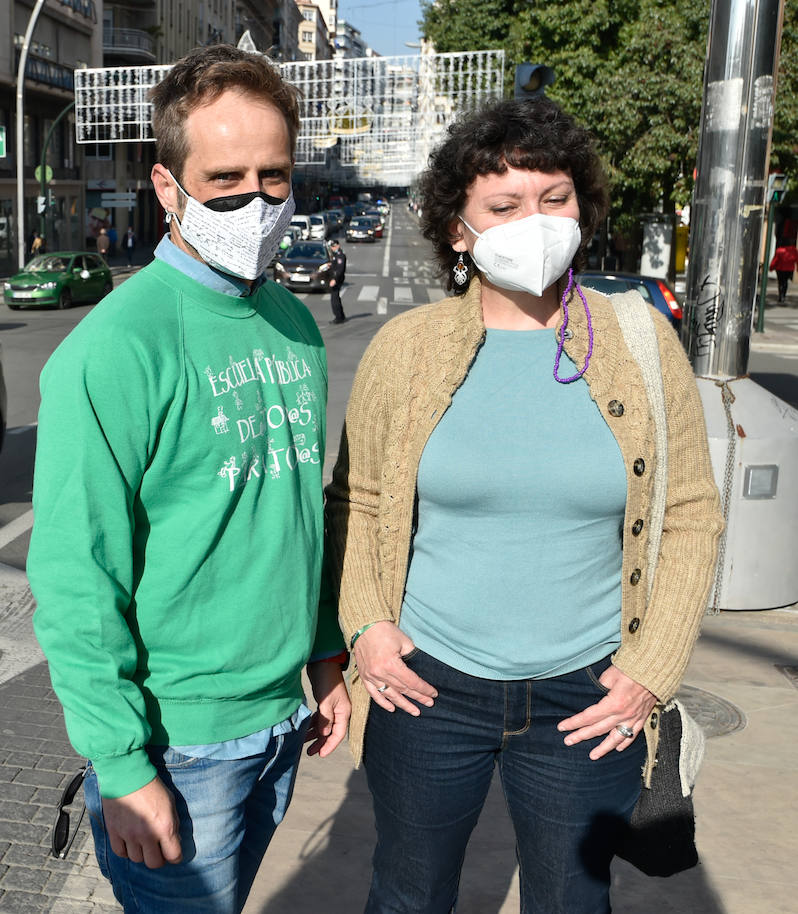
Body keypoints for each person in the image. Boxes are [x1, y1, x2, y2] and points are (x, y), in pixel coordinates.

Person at [326, 97, 724, 913]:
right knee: (406, 894)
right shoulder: (405, 350)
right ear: (458, 231)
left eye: (555, 198)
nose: (534, 221)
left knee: (575, 901)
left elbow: (690, 513)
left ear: (583, 206)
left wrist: (649, 674)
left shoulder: (641, 340)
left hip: (590, 693)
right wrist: (366, 627)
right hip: (426, 686)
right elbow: (357, 501)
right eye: (503, 206)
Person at [29, 44, 351, 914]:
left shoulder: (292, 323)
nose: (256, 201)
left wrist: (323, 657)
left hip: (283, 721)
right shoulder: (112, 350)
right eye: (225, 179)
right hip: (182, 748)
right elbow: (73, 575)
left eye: (274, 176)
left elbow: (295, 514)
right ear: (167, 187)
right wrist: (124, 764)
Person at [326, 238, 346, 324]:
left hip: (337, 280)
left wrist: (334, 279)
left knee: (334, 299)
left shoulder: (340, 255)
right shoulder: (335, 255)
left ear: (338, 245)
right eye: (332, 247)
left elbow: (340, 270)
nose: (333, 248)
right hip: (335, 278)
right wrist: (330, 264)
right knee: (336, 297)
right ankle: (341, 315)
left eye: (334, 246)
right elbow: (335, 265)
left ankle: (338, 317)